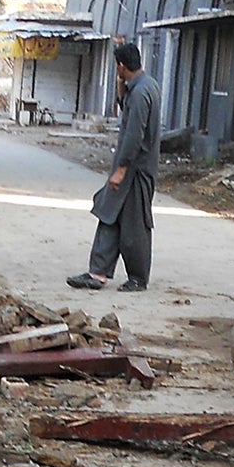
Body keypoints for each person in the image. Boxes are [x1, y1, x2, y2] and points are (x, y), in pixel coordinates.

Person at [68, 43, 159, 291]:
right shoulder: (141, 86)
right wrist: (121, 88)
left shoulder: (141, 92)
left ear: (121, 65)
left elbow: (134, 135)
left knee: (134, 226)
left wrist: (121, 168)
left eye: (116, 66)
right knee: (108, 215)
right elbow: (126, 111)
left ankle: (138, 278)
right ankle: (97, 273)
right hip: (129, 167)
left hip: (136, 171)